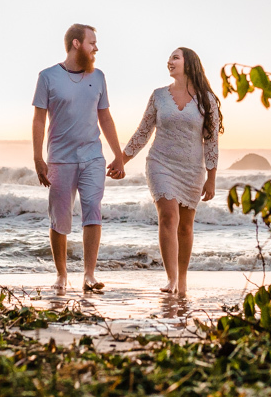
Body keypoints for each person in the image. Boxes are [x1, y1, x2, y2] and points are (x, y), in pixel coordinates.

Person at [32, 24, 126, 294]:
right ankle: (61, 275)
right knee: (59, 218)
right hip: (60, 159)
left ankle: (89, 275)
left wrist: (118, 155)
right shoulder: (48, 76)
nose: (96, 48)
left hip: (93, 157)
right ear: (76, 44)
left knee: (92, 211)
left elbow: (105, 117)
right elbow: (39, 118)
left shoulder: (98, 77)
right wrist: (38, 157)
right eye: (91, 42)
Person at [121, 47, 222, 296]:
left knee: (185, 227)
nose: (170, 61)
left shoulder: (207, 100)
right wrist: (121, 160)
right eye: (169, 58)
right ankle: (171, 278)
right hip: (160, 163)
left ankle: (183, 278)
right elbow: (143, 132)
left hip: (191, 169)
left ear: (190, 63)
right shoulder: (158, 96)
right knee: (168, 217)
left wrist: (211, 178)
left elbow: (211, 142)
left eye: (175, 57)